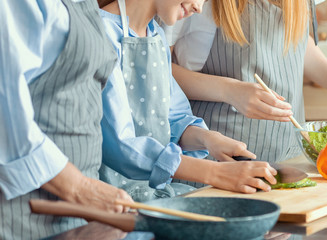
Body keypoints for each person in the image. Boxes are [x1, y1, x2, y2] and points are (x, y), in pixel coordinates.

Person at [168, 0, 327, 187]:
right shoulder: (194, 3)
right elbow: (158, 69)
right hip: (216, 169)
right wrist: (229, 90)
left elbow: (297, 42)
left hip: (290, 164)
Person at [96, 0, 278, 201]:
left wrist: (208, 139)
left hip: (149, 195)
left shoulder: (156, 35)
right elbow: (119, 145)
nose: (199, 8)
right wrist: (216, 173)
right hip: (110, 201)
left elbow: (172, 118)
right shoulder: (100, 35)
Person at [0, 0, 134, 239]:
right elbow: (5, 108)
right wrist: (79, 187)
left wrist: (85, 188)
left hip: (76, 212)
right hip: (24, 210)